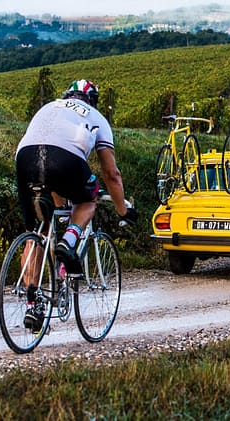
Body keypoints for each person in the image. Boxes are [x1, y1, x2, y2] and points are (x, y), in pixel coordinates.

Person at [15, 79, 138, 332]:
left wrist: (61, 209)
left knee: (36, 231)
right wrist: (123, 210)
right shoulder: (97, 117)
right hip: (65, 160)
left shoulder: (49, 107)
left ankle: (32, 305)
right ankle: (68, 243)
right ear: (92, 100)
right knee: (88, 199)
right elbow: (111, 173)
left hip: (25, 158)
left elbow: (46, 157)